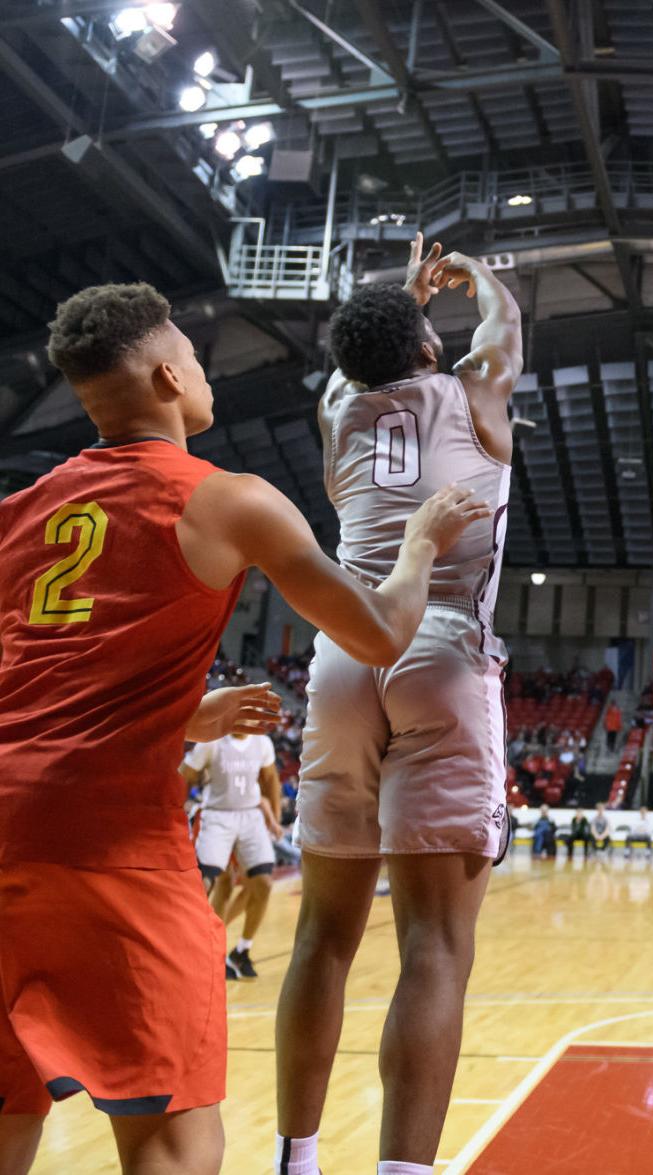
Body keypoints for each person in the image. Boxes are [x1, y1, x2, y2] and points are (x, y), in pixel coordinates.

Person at [0, 282, 477, 1175]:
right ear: (170, 374)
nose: (207, 369)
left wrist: (178, 716)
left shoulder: (20, 513)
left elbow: (35, 690)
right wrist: (417, 545)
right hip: (110, 848)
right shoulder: (226, 499)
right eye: (194, 351)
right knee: (176, 1137)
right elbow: (378, 632)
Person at [274, 236, 523, 1175]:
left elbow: (364, 359)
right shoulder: (477, 393)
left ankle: (296, 1158)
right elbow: (504, 329)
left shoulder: (336, 407)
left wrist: (407, 306)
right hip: (444, 645)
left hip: (345, 649)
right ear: (430, 349)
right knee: (435, 947)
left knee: (322, 938)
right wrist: (482, 278)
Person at [181, 731, 283, 980]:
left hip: (248, 820)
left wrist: (274, 819)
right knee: (221, 884)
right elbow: (182, 778)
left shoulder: (261, 745)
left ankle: (233, 947)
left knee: (257, 885)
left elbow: (268, 786)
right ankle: (205, 946)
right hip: (216, 817)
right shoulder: (212, 745)